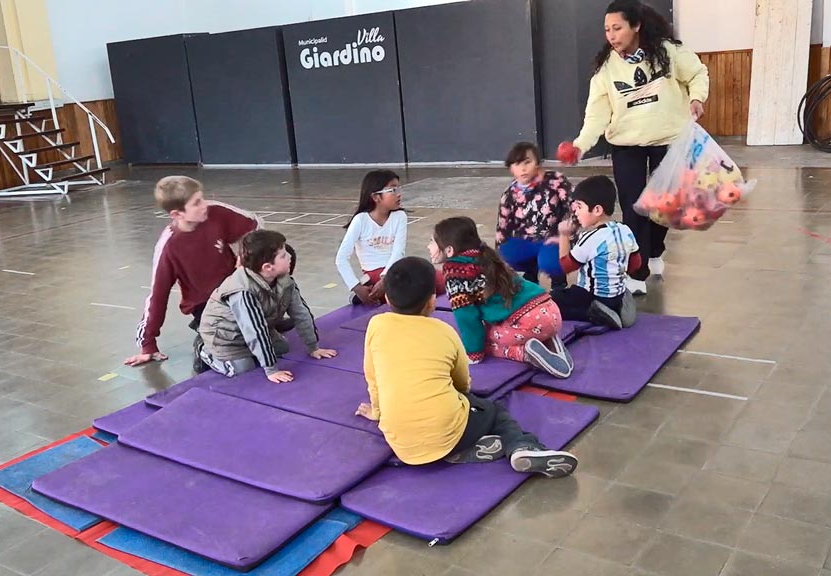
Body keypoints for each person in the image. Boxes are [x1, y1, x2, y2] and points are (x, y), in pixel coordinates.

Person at [355, 256, 578, 476]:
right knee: (494, 411)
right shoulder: (443, 331)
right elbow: (462, 383)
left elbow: (372, 376)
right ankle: (522, 446)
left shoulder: (376, 325)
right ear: (432, 301)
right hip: (448, 429)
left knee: (451, 416)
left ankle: (460, 452)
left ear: (388, 299)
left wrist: (377, 412)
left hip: (402, 444)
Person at [563, 0, 709, 294]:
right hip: (627, 145)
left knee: (664, 208)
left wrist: (697, 97)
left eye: (617, 28)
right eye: (607, 30)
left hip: (668, 141)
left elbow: (697, 73)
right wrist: (580, 145)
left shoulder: (668, 52)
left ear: (636, 25)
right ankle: (636, 272)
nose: (612, 35)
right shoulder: (606, 70)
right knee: (633, 208)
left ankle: (655, 250)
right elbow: (596, 115)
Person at [125, 176, 262, 369]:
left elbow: (254, 225)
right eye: (196, 203)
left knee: (280, 255)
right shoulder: (169, 247)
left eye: (202, 198)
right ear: (177, 214)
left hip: (235, 291)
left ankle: (257, 324)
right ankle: (204, 346)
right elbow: (157, 296)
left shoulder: (215, 212)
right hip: (206, 305)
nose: (204, 205)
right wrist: (148, 344)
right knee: (244, 358)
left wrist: (244, 254)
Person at [431, 217, 573, 378]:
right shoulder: (487, 256)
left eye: (432, 241)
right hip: (551, 311)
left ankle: (526, 353)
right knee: (499, 327)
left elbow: (468, 318)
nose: (429, 246)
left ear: (449, 250)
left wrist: (473, 353)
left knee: (486, 341)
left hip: (531, 323)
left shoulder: (455, 272)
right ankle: (548, 340)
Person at [196, 230, 336, 382]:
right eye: (283, 255)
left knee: (282, 348)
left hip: (248, 331)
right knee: (244, 369)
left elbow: (301, 314)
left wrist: (313, 347)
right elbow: (255, 331)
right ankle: (204, 350)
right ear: (268, 267)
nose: (289, 256)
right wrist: (271, 370)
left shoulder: (285, 281)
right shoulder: (243, 291)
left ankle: (253, 353)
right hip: (226, 338)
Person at [552, 176, 640, 330]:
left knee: (551, 302)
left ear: (597, 210)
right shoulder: (625, 230)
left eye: (579, 207)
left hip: (592, 296)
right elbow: (635, 264)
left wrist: (564, 235)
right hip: (616, 294)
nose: (576, 212)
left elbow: (565, 266)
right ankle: (618, 305)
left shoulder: (591, 238)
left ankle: (596, 314)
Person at [496, 142, 573, 289]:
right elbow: (502, 228)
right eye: (517, 164)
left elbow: (574, 208)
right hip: (526, 239)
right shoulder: (509, 194)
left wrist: (566, 237)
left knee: (551, 263)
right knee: (505, 253)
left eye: (528, 162)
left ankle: (559, 281)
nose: (523, 168)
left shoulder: (556, 181)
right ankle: (531, 270)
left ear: (537, 163)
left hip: (553, 237)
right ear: (511, 168)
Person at [336, 170, 410, 306]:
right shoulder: (360, 220)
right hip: (373, 274)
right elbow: (341, 258)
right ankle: (365, 293)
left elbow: (398, 252)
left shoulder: (400, 216)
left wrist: (385, 278)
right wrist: (356, 287)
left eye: (399, 188)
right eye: (392, 190)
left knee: (431, 277)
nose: (399, 194)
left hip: (394, 271)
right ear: (376, 197)